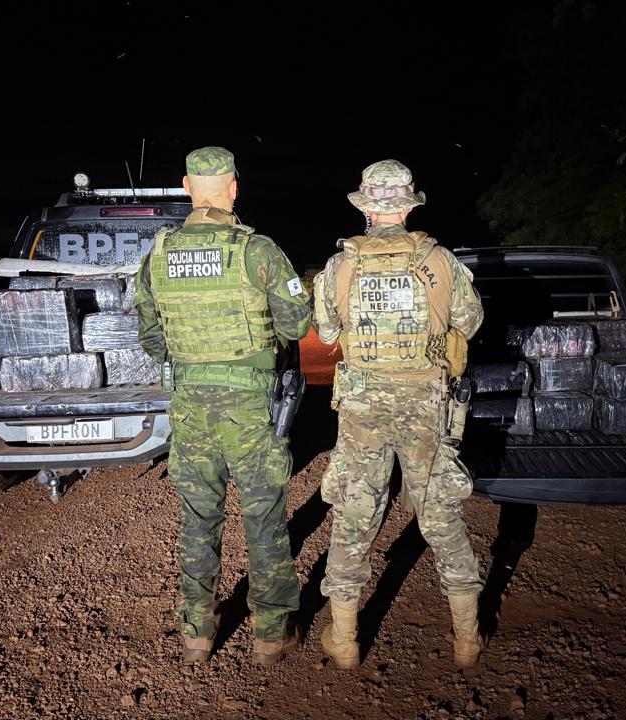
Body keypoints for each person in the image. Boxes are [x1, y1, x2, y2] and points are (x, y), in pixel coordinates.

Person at [134, 146, 313, 666]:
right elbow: (297, 324)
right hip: (251, 408)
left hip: (191, 406)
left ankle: (196, 634)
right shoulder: (258, 250)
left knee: (198, 517)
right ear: (234, 187)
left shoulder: (159, 253)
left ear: (187, 186)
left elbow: (150, 337)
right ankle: (272, 637)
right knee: (264, 517)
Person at [312, 159, 485, 669]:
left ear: (366, 208)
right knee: (440, 514)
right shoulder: (441, 262)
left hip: (364, 406)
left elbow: (324, 333)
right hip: (424, 405)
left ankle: (344, 642)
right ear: (409, 207)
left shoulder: (339, 267)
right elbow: (469, 323)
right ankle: (466, 639)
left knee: (355, 515)